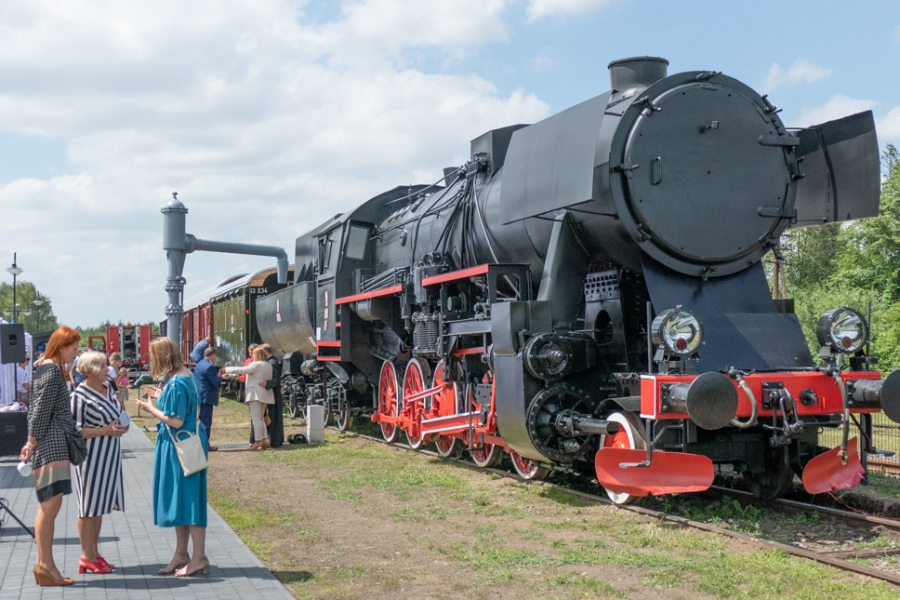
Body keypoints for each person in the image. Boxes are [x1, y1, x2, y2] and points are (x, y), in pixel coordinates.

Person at [134, 337, 209, 577]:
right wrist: (161, 395)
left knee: (188, 500)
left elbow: (175, 420)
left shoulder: (176, 382)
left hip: (180, 445)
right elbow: (183, 406)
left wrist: (151, 409)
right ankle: (182, 554)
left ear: (162, 357)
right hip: (186, 442)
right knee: (182, 498)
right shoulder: (184, 375)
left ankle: (198, 557)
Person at [18, 325, 81, 587]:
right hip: (51, 444)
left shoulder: (47, 368)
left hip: (50, 442)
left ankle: (45, 564)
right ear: (62, 346)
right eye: (74, 349)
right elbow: (40, 410)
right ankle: (46, 565)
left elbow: (39, 408)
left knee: (49, 505)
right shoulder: (52, 370)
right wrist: (31, 442)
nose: (75, 354)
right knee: (49, 506)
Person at [70, 351, 128, 575]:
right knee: (87, 507)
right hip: (90, 458)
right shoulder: (79, 396)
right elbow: (75, 431)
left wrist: (122, 426)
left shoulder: (108, 389)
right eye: (103, 366)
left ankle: (94, 552)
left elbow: (117, 413)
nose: (108, 369)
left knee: (99, 506)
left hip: (109, 457)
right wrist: (106, 430)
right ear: (91, 369)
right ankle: (86, 556)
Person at [222, 346, 273, 451]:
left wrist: (226, 369)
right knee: (261, 418)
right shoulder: (268, 365)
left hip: (254, 393)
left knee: (256, 418)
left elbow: (242, 370)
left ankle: (258, 440)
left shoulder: (255, 364)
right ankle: (265, 439)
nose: (252, 355)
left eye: (253, 354)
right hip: (264, 394)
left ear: (257, 355)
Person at [194, 347, 222, 451]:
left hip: (200, 395)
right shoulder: (209, 367)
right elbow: (215, 381)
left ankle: (201, 443)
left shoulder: (200, 364)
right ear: (213, 355)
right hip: (207, 396)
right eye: (215, 356)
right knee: (206, 422)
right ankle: (205, 444)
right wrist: (222, 377)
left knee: (200, 420)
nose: (216, 358)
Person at [260, 344, 284, 448]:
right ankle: (274, 439)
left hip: (273, 394)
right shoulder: (271, 361)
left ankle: (275, 440)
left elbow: (276, 379)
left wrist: (267, 384)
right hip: (272, 393)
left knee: (273, 416)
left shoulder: (272, 362)